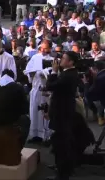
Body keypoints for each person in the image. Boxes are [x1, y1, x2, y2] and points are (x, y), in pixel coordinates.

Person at [45, 51, 79, 180]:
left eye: (64, 59)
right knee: (61, 142)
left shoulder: (68, 76)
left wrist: (53, 72)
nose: (60, 61)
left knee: (61, 144)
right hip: (62, 112)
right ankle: (61, 168)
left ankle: (62, 174)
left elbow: (50, 86)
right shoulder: (68, 73)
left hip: (62, 114)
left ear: (71, 62)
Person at [0, 69, 29, 148]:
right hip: (13, 119)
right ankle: (19, 147)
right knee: (26, 121)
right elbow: (25, 108)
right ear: (12, 78)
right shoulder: (18, 87)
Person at [83, 59, 105, 125]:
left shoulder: (99, 79)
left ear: (95, 69)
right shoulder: (100, 76)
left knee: (86, 98)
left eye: (91, 69)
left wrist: (86, 83)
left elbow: (89, 94)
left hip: (102, 100)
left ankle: (98, 114)